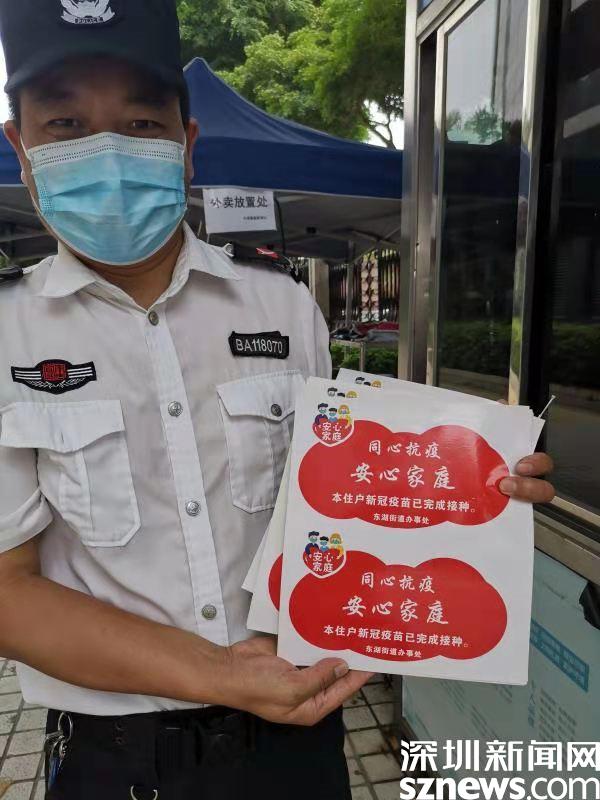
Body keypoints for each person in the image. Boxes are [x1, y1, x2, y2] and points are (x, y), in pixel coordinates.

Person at [0, 1, 555, 799]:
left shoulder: (281, 306)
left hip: (297, 740)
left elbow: (344, 495)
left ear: (187, 145)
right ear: (21, 147)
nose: (108, 151)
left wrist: (475, 487)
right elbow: (8, 589)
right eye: (65, 124)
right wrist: (221, 674)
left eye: (142, 123)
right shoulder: (8, 332)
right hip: (117, 762)